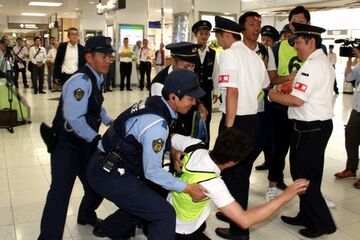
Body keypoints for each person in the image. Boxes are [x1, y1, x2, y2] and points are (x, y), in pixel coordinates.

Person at [87, 69, 207, 240]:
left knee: (151, 198)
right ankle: (111, 228)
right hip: (108, 174)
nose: (194, 103)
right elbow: (152, 171)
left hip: (106, 164)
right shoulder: (157, 124)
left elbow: (144, 140)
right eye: (190, 98)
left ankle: (109, 228)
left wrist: (171, 151)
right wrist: (187, 188)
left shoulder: (157, 102)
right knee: (164, 214)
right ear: (173, 97)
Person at [38, 36, 115, 240]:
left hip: (85, 145)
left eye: (110, 56)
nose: (108, 60)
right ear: (89, 57)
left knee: (97, 185)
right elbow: (74, 118)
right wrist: (97, 139)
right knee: (60, 195)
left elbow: (96, 105)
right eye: (103, 56)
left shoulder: (96, 77)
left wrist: (109, 121)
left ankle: (85, 215)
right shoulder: (80, 81)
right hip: (68, 145)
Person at [169, 128, 310, 240]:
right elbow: (244, 220)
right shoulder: (213, 184)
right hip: (182, 228)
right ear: (232, 162)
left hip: (170, 207)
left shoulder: (194, 145)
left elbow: (171, 136)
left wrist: (174, 153)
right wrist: (286, 195)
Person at [268, 22, 337, 238]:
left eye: (298, 42)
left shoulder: (311, 66)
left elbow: (297, 100)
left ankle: (323, 223)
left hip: (309, 129)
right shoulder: (320, 62)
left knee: (303, 177)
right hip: (317, 127)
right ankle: (305, 215)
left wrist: (272, 95)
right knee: (310, 176)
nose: (296, 47)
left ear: (311, 41)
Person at [213, 15, 270, 240]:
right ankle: (234, 215)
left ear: (227, 35)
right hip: (253, 120)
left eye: (219, 37)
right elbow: (265, 85)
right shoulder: (255, 56)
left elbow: (232, 92)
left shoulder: (228, 55)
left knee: (234, 175)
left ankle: (239, 230)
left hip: (236, 120)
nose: (219, 42)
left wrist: (229, 128)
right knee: (240, 174)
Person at [334, 49, 360, 189]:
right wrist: (349, 61)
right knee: (351, 137)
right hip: (357, 108)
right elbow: (349, 77)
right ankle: (351, 168)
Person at [192, 20, 219, 146]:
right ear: (195, 35)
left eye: (206, 33)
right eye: (201, 33)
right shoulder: (190, 52)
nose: (204, 36)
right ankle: (192, 146)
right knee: (192, 119)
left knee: (206, 119)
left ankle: (205, 147)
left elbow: (215, 72)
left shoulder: (212, 53)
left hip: (206, 91)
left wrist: (216, 91)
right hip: (191, 93)